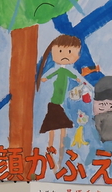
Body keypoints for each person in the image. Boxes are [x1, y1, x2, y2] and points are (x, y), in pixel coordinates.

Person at [36, 34, 84, 167]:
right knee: (53, 130)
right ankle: (51, 154)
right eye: (60, 51)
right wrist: (44, 79)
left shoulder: (66, 71)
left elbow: (74, 76)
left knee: (62, 130)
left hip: (60, 104)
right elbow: (50, 75)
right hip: (54, 103)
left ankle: (60, 156)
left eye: (70, 52)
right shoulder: (57, 70)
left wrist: (79, 80)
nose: (65, 55)